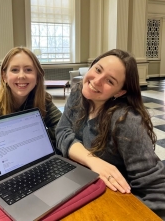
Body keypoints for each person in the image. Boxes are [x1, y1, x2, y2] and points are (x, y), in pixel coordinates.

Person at [56, 49, 165, 219]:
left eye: (110, 81)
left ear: (119, 92)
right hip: (84, 187)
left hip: (116, 202)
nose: (96, 81)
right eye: (98, 70)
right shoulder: (78, 92)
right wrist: (92, 160)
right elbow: (62, 131)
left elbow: (157, 192)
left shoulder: (126, 120)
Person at [0, 46, 62, 156]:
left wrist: (34, 139)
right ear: (4, 76)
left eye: (28, 70)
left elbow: (62, 128)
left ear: (37, 76)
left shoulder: (42, 99)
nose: (22, 76)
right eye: (14, 70)